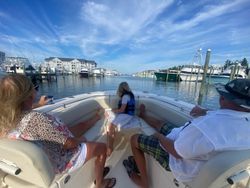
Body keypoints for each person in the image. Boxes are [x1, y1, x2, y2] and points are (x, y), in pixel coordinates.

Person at [125, 79, 250, 188]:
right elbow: (228, 115)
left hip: (176, 160)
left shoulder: (206, 127)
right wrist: (205, 111)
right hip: (187, 143)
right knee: (161, 124)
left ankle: (144, 182)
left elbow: (176, 152)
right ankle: (143, 115)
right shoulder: (244, 120)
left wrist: (158, 136)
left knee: (134, 139)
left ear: (223, 98)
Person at [0, 74, 116, 188]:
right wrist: (80, 140)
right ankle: (100, 184)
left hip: (39, 156)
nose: (35, 91)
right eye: (33, 88)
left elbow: (20, 111)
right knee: (102, 148)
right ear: (27, 95)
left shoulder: (4, 120)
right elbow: (68, 144)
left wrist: (39, 104)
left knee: (80, 126)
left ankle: (96, 118)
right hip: (61, 160)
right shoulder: (36, 120)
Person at [106, 82, 136, 156]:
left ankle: (110, 148)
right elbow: (122, 109)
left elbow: (122, 110)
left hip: (126, 115)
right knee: (109, 113)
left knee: (111, 126)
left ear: (121, 89)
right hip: (128, 115)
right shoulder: (130, 95)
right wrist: (113, 110)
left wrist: (112, 110)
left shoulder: (125, 96)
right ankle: (111, 137)